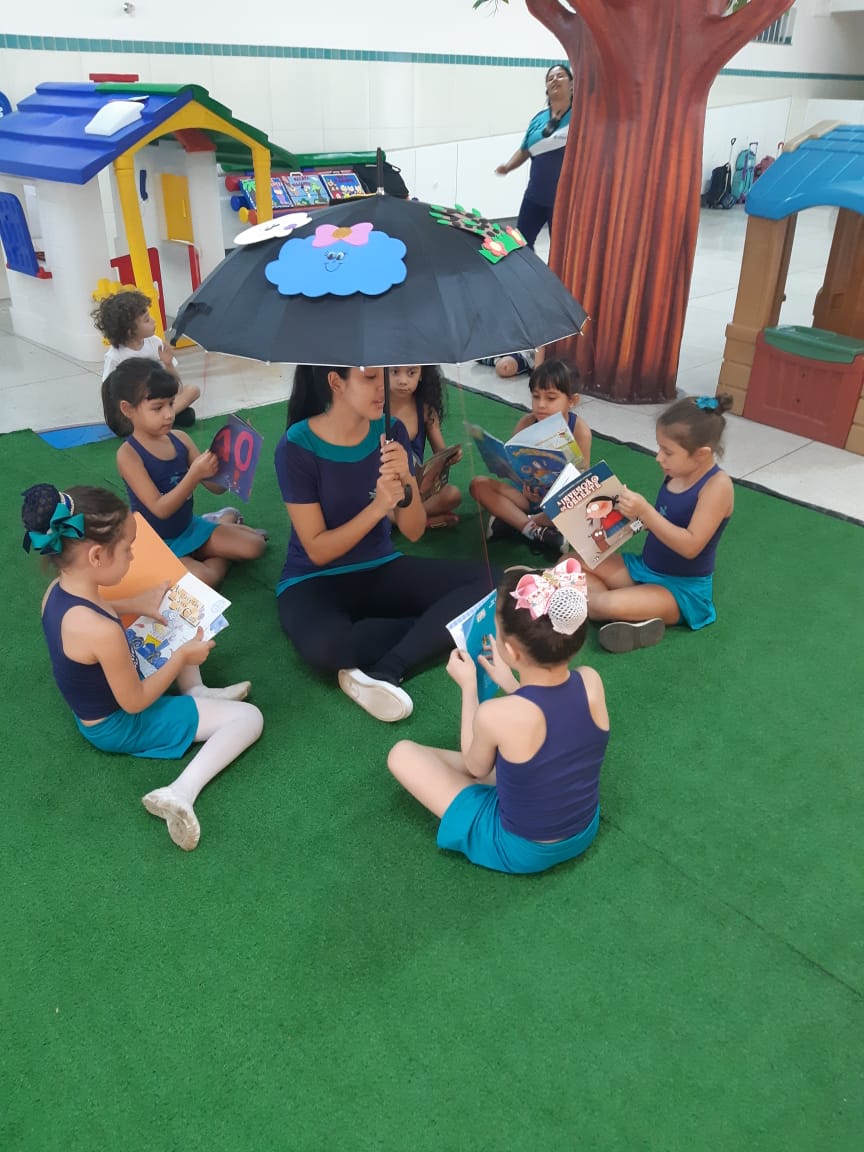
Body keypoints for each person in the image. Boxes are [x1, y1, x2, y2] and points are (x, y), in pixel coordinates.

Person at [21, 484, 263, 851]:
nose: (134, 555)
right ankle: (180, 791)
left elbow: (98, 607)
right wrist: (181, 658)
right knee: (249, 719)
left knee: (167, 618)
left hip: (100, 700)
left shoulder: (58, 589)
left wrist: (138, 603)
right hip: (117, 723)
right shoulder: (102, 633)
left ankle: (197, 692)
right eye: (127, 549)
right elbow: (134, 703)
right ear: (97, 556)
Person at [275, 365, 499, 723]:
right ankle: (435, 624)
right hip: (311, 580)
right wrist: (378, 507)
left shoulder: (391, 432)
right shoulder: (297, 445)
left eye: (383, 376)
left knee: (493, 581)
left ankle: (391, 666)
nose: (382, 387)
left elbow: (414, 531)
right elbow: (317, 549)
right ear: (336, 382)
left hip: (379, 566)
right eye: (369, 378)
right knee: (328, 649)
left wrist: (407, 478)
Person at [388, 558, 609, 875]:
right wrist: (510, 683)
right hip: (583, 829)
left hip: (522, 849)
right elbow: (553, 721)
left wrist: (468, 687)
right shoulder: (591, 681)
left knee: (402, 754)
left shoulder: (497, 715)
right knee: (511, 756)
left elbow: (475, 768)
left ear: (512, 652)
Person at [584, 395, 735, 653]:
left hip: (680, 590)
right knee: (571, 562)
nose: (659, 458)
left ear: (701, 454)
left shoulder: (717, 486)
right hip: (644, 569)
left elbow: (690, 546)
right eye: (660, 448)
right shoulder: (677, 471)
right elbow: (664, 520)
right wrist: (630, 516)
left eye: (668, 452)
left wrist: (645, 513)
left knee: (600, 605)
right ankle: (631, 614)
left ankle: (608, 606)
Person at [102, 357, 267, 588]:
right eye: (157, 408)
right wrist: (194, 475)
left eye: (171, 404)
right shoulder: (128, 455)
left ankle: (219, 524)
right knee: (205, 580)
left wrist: (232, 457)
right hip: (158, 543)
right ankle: (222, 524)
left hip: (190, 527)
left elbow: (216, 487)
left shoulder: (180, 439)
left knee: (256, 546)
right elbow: (160, 509)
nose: (169, 414)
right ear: (128, 409)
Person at [469, 358, 591, 554]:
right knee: (478, 485)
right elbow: (512, 461)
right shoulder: (526, 422)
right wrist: (502, 465)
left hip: (556, 505)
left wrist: (554, 495)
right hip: (525, 496)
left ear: (572, 400)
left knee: (586, 503)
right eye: (535, 396)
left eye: (551, 398)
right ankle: (535, 531)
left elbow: (582, 478)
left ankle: (514, 522)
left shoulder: (579, 430)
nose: (541, 405)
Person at [495, 63, 574, 250]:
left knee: (561, 251)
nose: (555, 80)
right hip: (534, 196)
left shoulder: (580, 117)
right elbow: (525, 150)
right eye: (550, 78)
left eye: (560, 76)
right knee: (519, 244)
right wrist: (508, 167)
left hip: (564, 201)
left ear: (571, 84)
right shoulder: (538, 119)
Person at [92, 290, 200, 427]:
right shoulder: (115, 356)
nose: (153, 321)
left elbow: (175, 388)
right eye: (147, 320)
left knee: (193, 390)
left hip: (157, 403)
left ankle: (158, 420)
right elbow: (109, 396)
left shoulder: (155, 343)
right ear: (130, 331)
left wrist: (168, 364)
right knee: (182, 415)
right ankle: (159, 419)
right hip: (135, 410)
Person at [388, 364, 462, 527]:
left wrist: (451, 456)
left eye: (411, 373)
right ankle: (419, 520)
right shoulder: (374, 407)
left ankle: (401, 519)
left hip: (414, 489)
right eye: (395, 371)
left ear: (422, 374)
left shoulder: (426, 410)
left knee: (452, 495)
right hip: (380, 490)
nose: (403, 380)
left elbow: (440, 452)